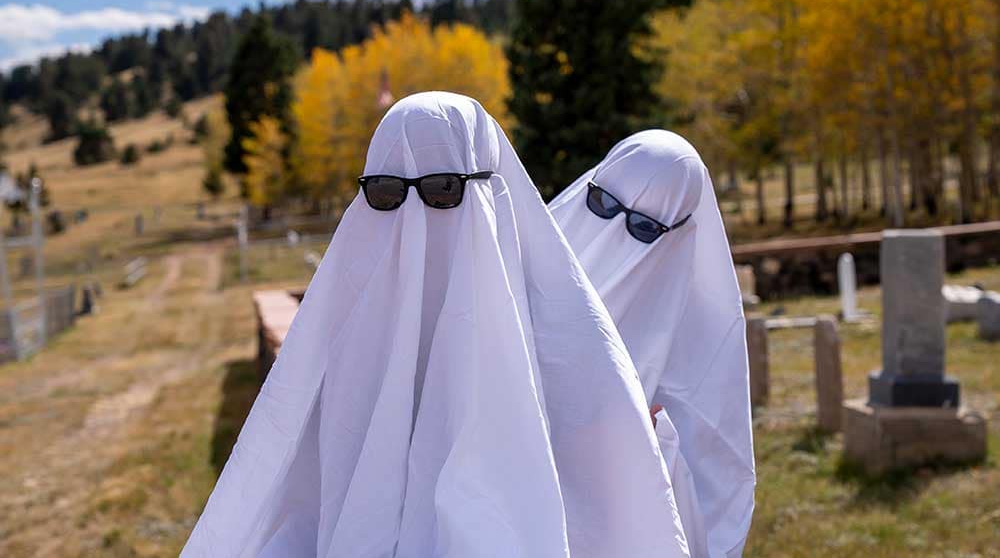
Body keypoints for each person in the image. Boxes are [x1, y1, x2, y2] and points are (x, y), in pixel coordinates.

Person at [182, 93, 691, 558]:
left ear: (494, 190)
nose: (416, 218)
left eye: (443, 190)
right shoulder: (333, 335)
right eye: (385, 192)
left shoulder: (570, 346)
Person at [549, 130, 755, 558]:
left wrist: (655, 440)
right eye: (602, 204)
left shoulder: (697, 339)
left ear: (679, 232)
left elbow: (713, 481)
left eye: (643, 227)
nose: (612, 235)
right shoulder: (521, 271)